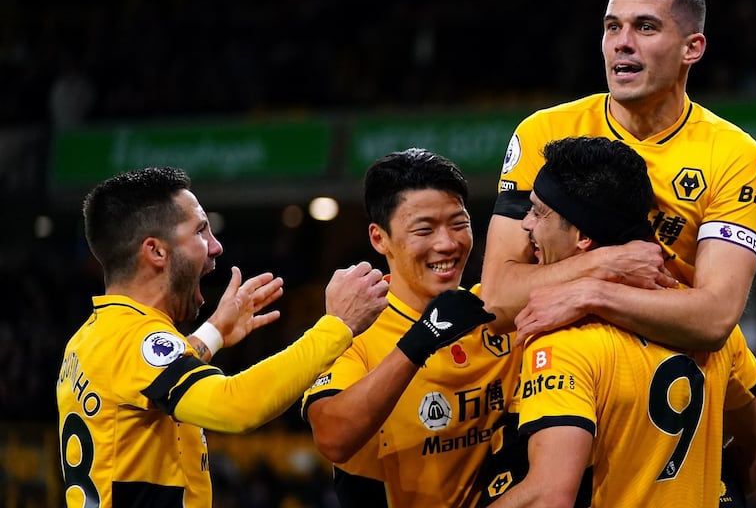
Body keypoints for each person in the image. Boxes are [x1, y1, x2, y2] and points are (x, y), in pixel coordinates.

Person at [478, 0, 756, 505]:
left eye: (645, 27)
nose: (621, 43)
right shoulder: (544, 133)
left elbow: (716, 318)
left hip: (682, 361)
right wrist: (604, 267)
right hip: (569, 372)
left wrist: (592, 293)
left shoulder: (733, 154)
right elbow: (498, 298)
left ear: (692, 47)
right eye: (612, 26)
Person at [56, 166, 389, 508]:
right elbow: (235, 406)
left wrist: (214, 333)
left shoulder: (94, 336)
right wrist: (338, 325)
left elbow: (152, 382)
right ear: (156, 252)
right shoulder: (132, 338)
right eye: (200, 231)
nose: (216, 246)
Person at [489, 136, 756, 507]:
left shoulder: (563, 337)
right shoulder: (707, 324)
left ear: (583, 237)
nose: (525, 225)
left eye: (539, 212)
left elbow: (549, 497)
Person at [302, 148, 521, 507]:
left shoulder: (496, 311)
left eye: (459, 223)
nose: (447, 243)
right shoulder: (353, 328)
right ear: (379, 238)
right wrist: (421, 340)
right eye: (425, 229)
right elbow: (332, 437)